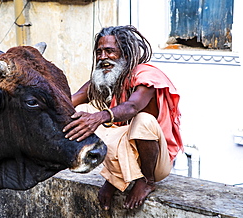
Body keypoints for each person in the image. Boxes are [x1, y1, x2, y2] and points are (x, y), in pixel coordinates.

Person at [63, 25, 183, 210]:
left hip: (155, 163)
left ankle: (146, 182)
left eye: (110, 51)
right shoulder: (101, 79)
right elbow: (69, 102)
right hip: (124, 157)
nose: (103, 57)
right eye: (99, 52)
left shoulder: (146, 75)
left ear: (125, 55)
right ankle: (114, 179)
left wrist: (99, 117)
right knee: (84, 109)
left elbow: (132, 106)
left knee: (143, 121)